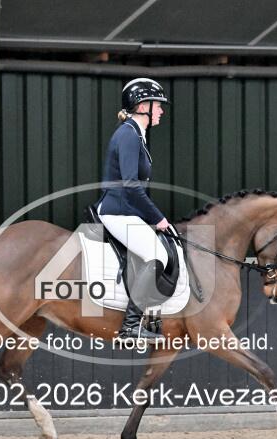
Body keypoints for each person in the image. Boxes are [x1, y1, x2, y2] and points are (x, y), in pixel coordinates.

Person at [94, 78, 171, 343]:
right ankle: (130, 326)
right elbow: (130, 185)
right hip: (117, 211)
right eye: (157, 105)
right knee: (157, 255)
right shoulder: (128, 134)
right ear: (141, 106)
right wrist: (158, 218)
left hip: (126, 210)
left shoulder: (137, 133)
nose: (161, 110)